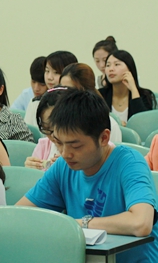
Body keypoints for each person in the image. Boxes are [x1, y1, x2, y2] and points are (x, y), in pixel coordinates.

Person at [17, 89, 158, 262]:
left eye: (76, 146)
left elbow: (141, 223)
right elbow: (19, 216)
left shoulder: (129, 162)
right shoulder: (63, 166)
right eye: (59, 143)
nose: (65, 153)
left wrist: (78, 224)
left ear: (104, 138)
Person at [59, 63, 122, 143]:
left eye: (69, 90)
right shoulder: (59, 120)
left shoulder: (109, 124)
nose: (63, 95)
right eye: (62, 89)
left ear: (86, 91)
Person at [100, 50, 156, 125]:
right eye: (108, 65)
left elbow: (144, 124)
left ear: (129, 68)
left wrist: (133, 89)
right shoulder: (100, 95)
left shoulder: (145, 95)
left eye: (116, 64)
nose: (111, 69)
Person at [25, 51, 78, 128]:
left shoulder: (78, 104)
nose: (49, 77)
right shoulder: (36, 103)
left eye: (56, 72)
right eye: (47, 71)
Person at [25, 87, 67, 171]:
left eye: (59, 127)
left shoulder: (81, 150)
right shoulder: (43, 146)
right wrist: (30, 171)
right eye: (47, 129)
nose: (54, 136)